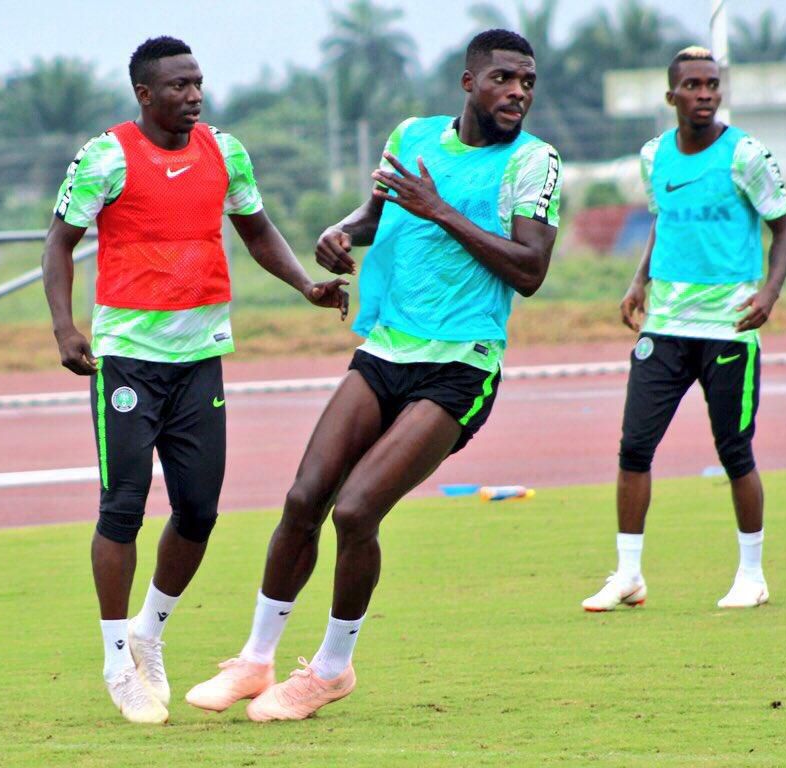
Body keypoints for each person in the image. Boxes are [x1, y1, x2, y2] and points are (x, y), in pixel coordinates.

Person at [186, 28, 562, 721]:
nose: (517, 93)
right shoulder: (412, 135)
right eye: (504, 79)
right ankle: (255, 659)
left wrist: (439, 210)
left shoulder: (533, 163)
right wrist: (343, 230)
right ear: (468, 82)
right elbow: (379, 212)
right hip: (386, 349)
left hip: (459, 366)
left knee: (357, 510)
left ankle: (330, 669)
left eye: (527, 82)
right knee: (304, 499)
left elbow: (530, 270)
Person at [41, 36, 348, 724]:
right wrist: (65, 327)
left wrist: (304, 285)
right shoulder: (105, 156)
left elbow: (257, 228)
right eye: (178, 86)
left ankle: (149, 631)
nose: (194, 95)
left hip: (199, 359)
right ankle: (117, 656)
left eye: (198, 83)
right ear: (145, 94)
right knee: (122, 507)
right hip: (126, 359)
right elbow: (58, 242)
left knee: (199, 511)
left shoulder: (224, 151)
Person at [581, 47, 786, 613]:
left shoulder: (746, 155)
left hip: (729, 328)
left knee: (734, 451)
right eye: (693, 86)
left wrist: (769, 294)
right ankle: (628, 574)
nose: (705, 94)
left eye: (712, 85)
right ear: (671, 96)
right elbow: (663, 224)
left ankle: (752, 575)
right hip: (667, 326)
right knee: (634, 445)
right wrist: (638, 280)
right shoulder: (654, 157)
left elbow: (785, 232)